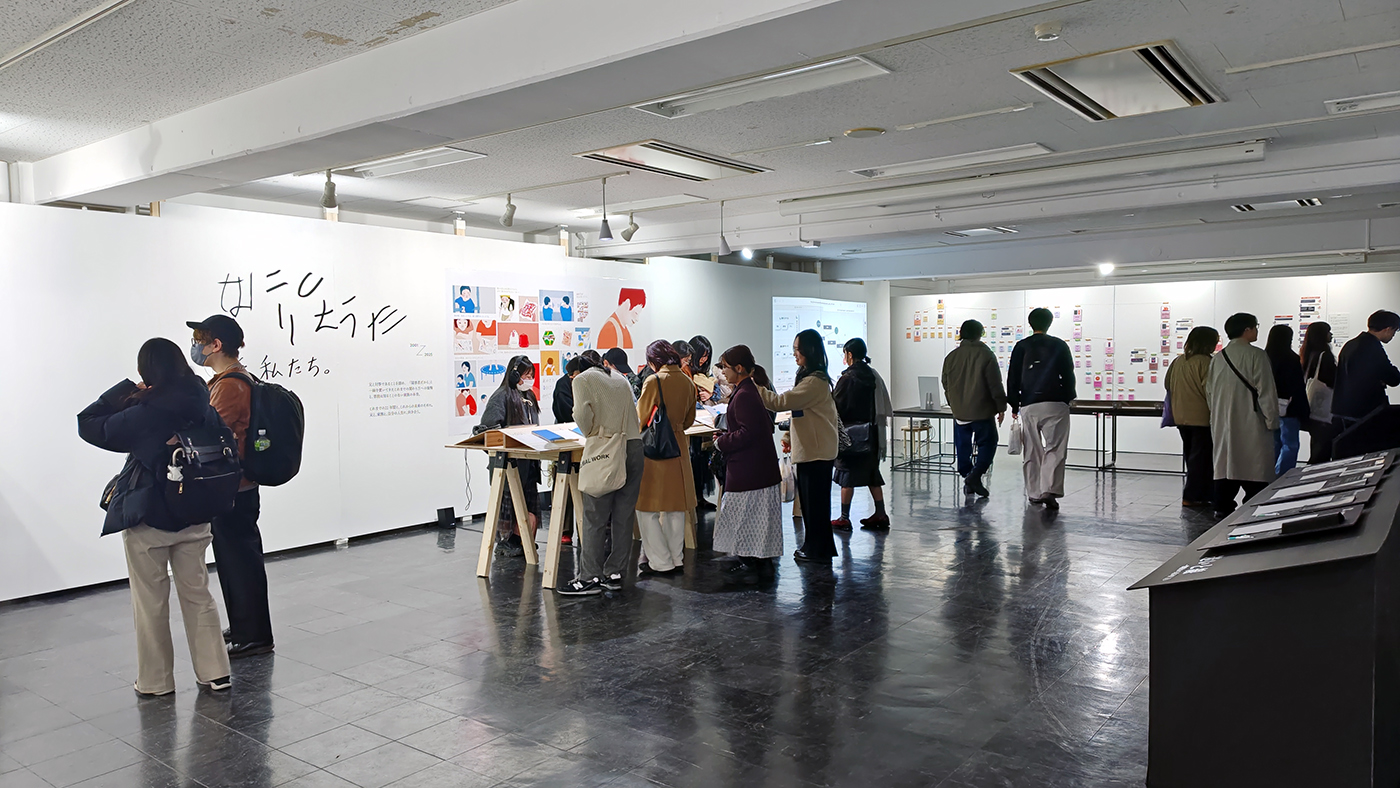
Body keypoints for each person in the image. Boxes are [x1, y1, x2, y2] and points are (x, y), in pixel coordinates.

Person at [77, 338, 233, 695]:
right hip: (195, 513)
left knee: (150, 601)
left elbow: (88, 422)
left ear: (147, 371)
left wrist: (126, 389)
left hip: (149, 518)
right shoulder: (202, 400)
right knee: (198, 594)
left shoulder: (146, 411)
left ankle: (156, 681)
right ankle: (216, 671)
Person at [187, 314, 273, 659]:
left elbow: (210, 430)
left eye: (199, 341)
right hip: (235, 486)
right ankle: (243, 626)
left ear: (216, 345)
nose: (196, 347)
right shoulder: (229, 380)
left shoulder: (230, 385)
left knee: (240, 561)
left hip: (234, 488)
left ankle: (254, 634)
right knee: (234, 559)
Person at [557, 353, 644, 595]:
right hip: (634, 446)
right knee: (624, 514)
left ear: (576, 372)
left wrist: (592, 433)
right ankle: (615, 573)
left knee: (594, 515)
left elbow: (582, 417)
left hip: (606, 449)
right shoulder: (618, 377)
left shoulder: (582, 380)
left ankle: (589, 577)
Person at [759, 329, 839, 562]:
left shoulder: (813, 382)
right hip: (814, 449)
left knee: (815, 506)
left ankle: (817, 549)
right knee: (814, 504)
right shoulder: (811, 379)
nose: (794, 354)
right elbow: (800, 414)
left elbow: (781, 402)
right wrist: (788, 438)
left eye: (797, 349)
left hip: (816, 452)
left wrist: (755, 388)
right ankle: (818, 547)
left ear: (808, 351)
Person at [713, 345, 783, 584]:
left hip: (750, 470)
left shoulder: (744, 394)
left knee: (746, 517)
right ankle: (754, 561)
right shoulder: (747, 390)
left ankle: (754, 562)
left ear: (739, 368)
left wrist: (722, 442)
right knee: (754, 520)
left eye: (725, 367)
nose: (723, 372)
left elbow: (747, 432)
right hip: (756, 469)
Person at [636, 341, 697, 575]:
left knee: (646, 508)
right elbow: (689, 420)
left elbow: (641, 418)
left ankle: (660, 561)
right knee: (676, 507)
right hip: (678, 446)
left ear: (654, 361)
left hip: (656, 448)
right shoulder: (687, 381)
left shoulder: (654, 381)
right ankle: (676, 558)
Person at [1209, 313, 1279, 514]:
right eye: (1255, 327)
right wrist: (1272, 420)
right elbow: (1266, 391)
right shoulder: (1257, 355)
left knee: (1226, 465)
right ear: (1247, 330)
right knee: (1254, 466)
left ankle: (1222, 507)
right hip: (1252, 420)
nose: (1257, 331)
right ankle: (1253, 508)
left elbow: (1210, 392)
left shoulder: (1218, 358)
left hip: (1223, 421)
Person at [1007, 308, 1076, 510]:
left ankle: (1035, 493)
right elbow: (1068, 374)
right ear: (1049, 323)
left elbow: (1013, 377)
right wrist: (1068, 397)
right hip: (1056, 403)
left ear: (1030, 324)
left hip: (1030, 403)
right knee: (1055, 448)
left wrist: (1014, 403)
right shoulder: (1059, 345)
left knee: (1032, 449)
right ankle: (1050, 490)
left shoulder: (1022, 346)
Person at [477, 356, 541, 557]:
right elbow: (488, 430)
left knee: (528, 504)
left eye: (531, 375)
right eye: (525, 375)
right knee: (509, 505)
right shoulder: (501, 396)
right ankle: (507, 542)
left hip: (529, 462)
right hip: (509, 465)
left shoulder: (529, 396)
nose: (528, 379)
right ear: (514, 374)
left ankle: (524, 540)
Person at [942, 320, 1007, 499]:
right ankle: (975, 476)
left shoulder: (951, 357)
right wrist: (1001, 406)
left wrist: (953, 403)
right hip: (982, 411)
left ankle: (968, 476)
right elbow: (995, 384)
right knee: (988, 443)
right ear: (980, 334)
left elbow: (945, 383)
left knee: (963, 446)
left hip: (960, 412)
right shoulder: (986, 355)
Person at [832, 338, 889, 529]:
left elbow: (836, 406)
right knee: (872, 473)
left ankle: (844, 517)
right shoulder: (873, 375)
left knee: (846, 475)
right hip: (871, 434)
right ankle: (881, 513)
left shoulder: (847, 378)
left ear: (849, 355)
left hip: (850, 434)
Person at [1164, 326, 1219, 506]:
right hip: (1202, 418)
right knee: (1202, 458)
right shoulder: (1207, 362)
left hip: (1181, 416)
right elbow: (1211, 391)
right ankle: (1192, 495)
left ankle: (1202, 494)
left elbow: (1167, 384)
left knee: (1192, 456)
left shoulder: (1178, 361)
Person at [1332, 309, 1400, 432]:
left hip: (1345, 409)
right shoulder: (1372, 347)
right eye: (1394, 332)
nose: (1392, 336)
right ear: (1388, 329)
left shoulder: (1350, 344)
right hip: (1366, 411)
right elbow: (1393, 378)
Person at [1266, 324, 1310, 475]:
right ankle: (1284, 475)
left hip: (1269, 406)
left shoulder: (1265, 356)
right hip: (1289, 407)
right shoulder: (1291, 358)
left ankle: (1270, 474)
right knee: (1290, 444)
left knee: (1274, 443)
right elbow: (1296, 386)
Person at [1299, 321, 1338, 463]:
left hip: (1313, 408)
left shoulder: (1307, 353)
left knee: (1317, 444)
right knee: (1323, 447)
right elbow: (1331, 380)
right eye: (1328, 332)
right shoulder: (1324, 355)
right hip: (1324, 409)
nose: (1331, 335)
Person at [688, 335, 718, 512]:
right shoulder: (686, 373)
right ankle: (694, 498)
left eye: (707, 355)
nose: (704, 359)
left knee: (702, 461)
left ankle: (700, 497)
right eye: (702, 354)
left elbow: (718, 393)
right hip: (692, 424)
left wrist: (711, 394)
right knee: (693, 460)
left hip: (705, 423)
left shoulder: (706, 375)